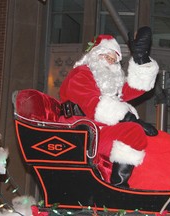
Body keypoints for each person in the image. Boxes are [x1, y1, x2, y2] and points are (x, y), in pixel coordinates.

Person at [59, 27, 159, 188]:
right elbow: (94, 105)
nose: (109, 62)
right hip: (82, 133)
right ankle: (118, 186)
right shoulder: (81, 74)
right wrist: (132, 120)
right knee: (133, 132)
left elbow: (132, 89)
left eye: (113, 60)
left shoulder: (106, 82)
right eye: (106, 56)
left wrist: (142, 60)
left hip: (99, 130)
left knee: (155, 140)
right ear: (94, 55)